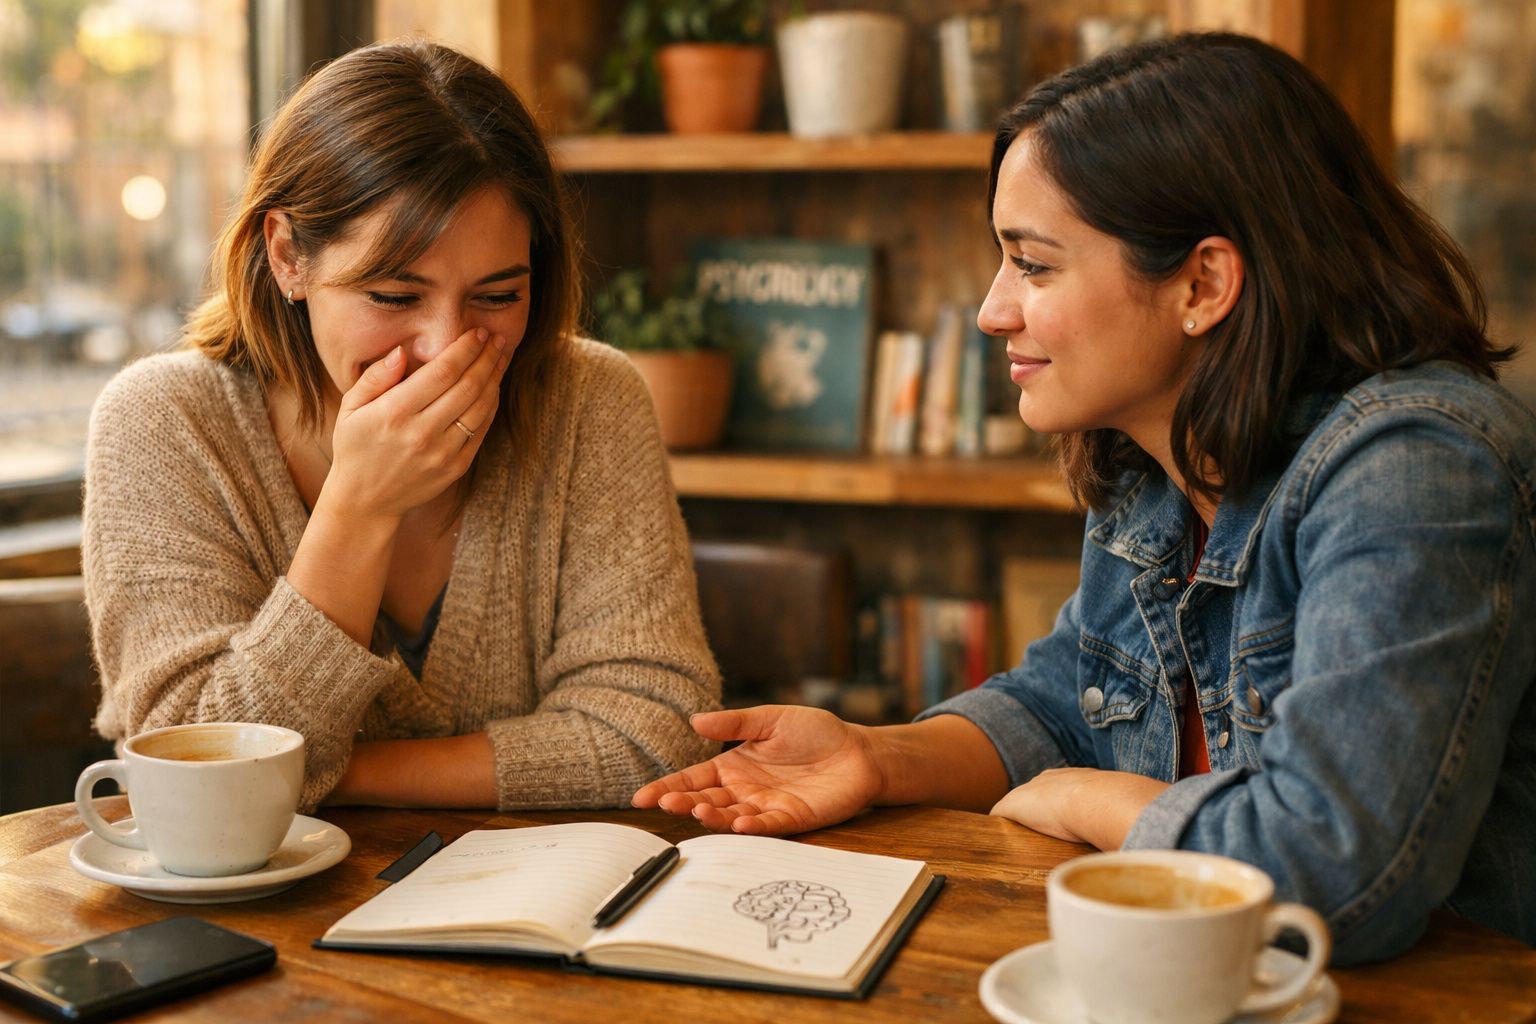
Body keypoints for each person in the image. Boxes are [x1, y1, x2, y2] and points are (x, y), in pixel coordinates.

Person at [635, 32, 1536, 964]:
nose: (991, 309)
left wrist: (1086, 798)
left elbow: (1329, 870)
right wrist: (878, 757)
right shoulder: (1157, 457)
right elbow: (1071, 699)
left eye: (1032, 265)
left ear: (1203, 282)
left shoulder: (1416, 467)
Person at [83, 41, 721, 814]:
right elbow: (189, 780)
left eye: (496, 296)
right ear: (288, 255)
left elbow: (656, 737)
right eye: (393, 296)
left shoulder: (589, 400)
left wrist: (323, 774)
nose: (446, 348)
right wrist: (360, 507)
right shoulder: (163, 423)